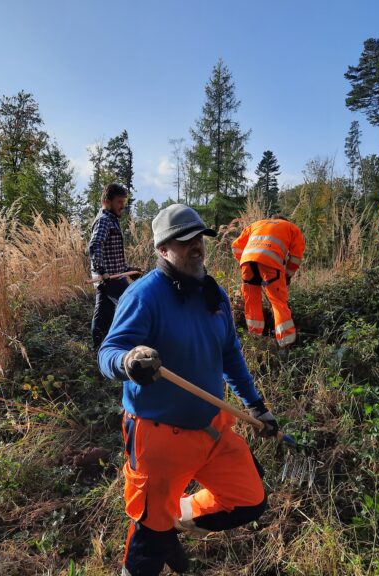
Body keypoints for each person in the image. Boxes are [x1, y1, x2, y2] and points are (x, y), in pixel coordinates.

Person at [98, 204, 278, 576]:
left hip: (212, 430)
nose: (196, 246)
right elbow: (107, 353)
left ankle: (171, 520)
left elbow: (230, 355)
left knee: (250, 500)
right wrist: (128, 360)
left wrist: (256, 406)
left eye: (198, 238)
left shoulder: (213, 296)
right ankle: (156, 529)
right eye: (184, 241)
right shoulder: (144, 296)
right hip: (158, 438)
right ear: (163, 250)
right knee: (147, 543)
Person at [231, 216, 305, 347]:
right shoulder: (291, 227)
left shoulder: (256, 224)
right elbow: (295, 257)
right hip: (270, 264)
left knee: (251, 300)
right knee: (278, 302)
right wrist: (288, 274)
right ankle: (286, 342)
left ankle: (255, 338)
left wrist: (245, 261)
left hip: (247, 263)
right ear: (285, 221)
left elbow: (235, 246)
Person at [88, 182, 141, 350]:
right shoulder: (104, 220)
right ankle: (111, 347)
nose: (122, 206)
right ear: (107, 202)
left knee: (106, 313)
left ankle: (102, 347)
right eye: (119, 202)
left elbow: (113, 255)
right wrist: (101, 271)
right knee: (130, 307)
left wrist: (128, 270)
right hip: (108, 279)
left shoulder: (112, 220)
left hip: (116, 277)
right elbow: (95, 245)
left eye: (123, 202)